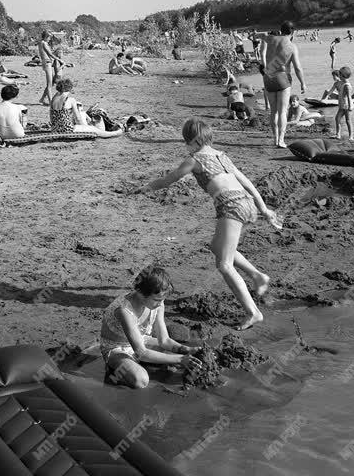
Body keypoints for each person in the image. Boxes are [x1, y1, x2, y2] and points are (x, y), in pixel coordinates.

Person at [136, 119, 280, 330]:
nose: (186, 146)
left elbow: (169, 180)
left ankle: (253, 312)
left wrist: (146, 188)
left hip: (231, 206)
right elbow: (247, 183)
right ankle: (258, 275)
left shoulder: (194, 160)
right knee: (217, 247)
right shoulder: (222, 156)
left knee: (224, 265)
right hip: (247, 203)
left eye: (186, 142)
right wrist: (264, 209)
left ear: (193, 141)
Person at [101, 266, 202, 389]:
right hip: (117, 348)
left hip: (142, 339)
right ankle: (114, 375)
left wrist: (187, 350)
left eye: (162, 299)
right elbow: (141, 353)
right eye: (156, 300)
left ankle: (145, 363)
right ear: (141, 294)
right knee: (141, 380)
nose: (160, 303)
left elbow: (164, 341)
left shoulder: (158, 302)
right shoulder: (125, 310)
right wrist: (180, 359)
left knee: (174, 351)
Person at [257, 20, 306, 148]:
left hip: (268, 77)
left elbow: (260, 36)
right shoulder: (292, 46)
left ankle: (275, 139)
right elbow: (298, 68)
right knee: (283, 112)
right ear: (292, 32)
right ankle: (281, 140)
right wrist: (303, 83)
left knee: (273, 112)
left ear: (281, 30)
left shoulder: (271, 39)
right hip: (283, 78)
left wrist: (256, 35)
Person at [50, 79, 123, 137]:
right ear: (69, 88)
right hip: (67, 130)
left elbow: (52, 116)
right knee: (95, 130)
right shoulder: (71, 100)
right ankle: (116, 133)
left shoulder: (54, 98)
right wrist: (85, 128)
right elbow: (78, 118)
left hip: (55, 129)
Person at [323, 67, 354, 140]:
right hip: (341, 105)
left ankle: (351, 136)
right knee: (337, 118)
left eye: (339, 74)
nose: (338, 76)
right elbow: (332, 90)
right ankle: (338, 135)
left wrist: (350, 107)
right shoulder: (339, 83)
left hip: (347, 105)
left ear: (342, 75)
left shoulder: (347, 85)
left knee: (348, 120)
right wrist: (326, 97)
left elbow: (349, 97)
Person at [38, 31, 56, 105]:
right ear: (46, 37)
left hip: (46, 63)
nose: (49, 39)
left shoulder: (41, 43)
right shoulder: (43, 43)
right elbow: (50, 54)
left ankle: (42, 99)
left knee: (51, 83)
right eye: (49, 37)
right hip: (47, 63)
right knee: (49, 84)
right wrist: (59, 59)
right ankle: (51, 102)